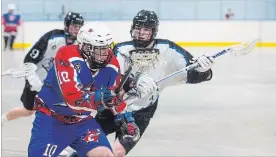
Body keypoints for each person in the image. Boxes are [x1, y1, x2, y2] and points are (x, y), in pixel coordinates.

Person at [69, 9, 215, 157]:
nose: (141, 32)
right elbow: (110, 79)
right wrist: (133, 81)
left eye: (146, 29)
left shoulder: (168, 49)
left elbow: (192, 75)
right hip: (114, 109)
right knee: (86, 145)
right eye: (138, 28)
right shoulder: (122, 49)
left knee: (116, 152)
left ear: (154, 31)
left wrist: (204, 70)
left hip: (141, 113)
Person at [28, 22, 137, 157]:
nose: (105, 54)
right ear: (85, 46)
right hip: (51, 119)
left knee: (105, 155)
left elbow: (112, 97)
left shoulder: (112, 64)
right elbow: (72, 99)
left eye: (106, 48)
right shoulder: (66, 54)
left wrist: (125, 118)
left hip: (82, 122)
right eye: (99, 49)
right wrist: (100, 97)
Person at [1, 11, 84, 156]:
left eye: (79, 27)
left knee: (51, 112)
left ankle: (53, 144)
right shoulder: (52, 37)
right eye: (74, 26)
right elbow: (28, 59)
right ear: (66, 25)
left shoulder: (80, 45)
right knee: (29, 110)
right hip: (36, 81)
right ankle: (2, 119)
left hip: (55, 86)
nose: (76, 30)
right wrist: (32, 77)